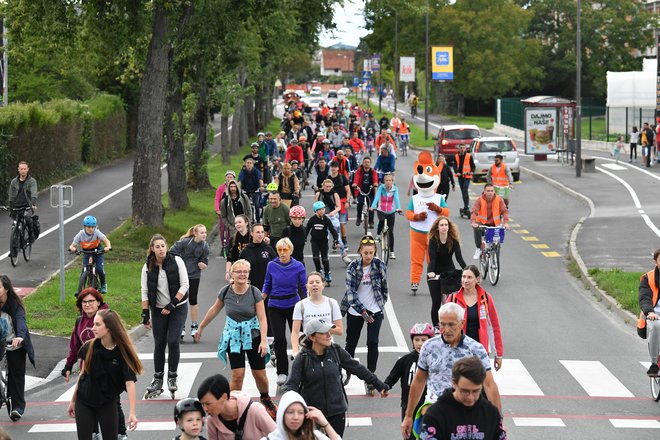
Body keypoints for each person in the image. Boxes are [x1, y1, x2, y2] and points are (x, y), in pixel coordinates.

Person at [400, 302, 502, 439]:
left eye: (451, 324)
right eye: (442, 324)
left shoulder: (476, 349)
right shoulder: (429, 347)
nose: (446, 330)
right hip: (434, 408)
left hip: (466, 409)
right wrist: (408, 416)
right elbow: (418, 381)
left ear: (462, 323)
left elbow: (489, 384)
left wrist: (499, 423)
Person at [194, 259, 277, 419]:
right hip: (234, 336)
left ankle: (266, 399)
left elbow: (262, 318)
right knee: (238, 375)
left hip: (253, 336)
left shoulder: (254, 292)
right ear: (232, 274)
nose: (242, 274)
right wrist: (201, 327)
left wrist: (264, 340)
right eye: (239, 271)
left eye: (245, 272)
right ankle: (232, 404)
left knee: (260, 375)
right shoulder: (225, 292)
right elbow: (213, 310)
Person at [283, 318, 389, 437]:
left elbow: (358, 368)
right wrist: (292, 410)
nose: (329, 335)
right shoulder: (302, 359)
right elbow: (290, 386)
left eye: (329, 331)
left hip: (337, 412)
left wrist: (379, 385)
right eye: (323, 332)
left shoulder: (336, 351)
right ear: (312, 337)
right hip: (312, 415)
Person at [61, 288, 129, 438]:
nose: (87, 305)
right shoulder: (80, 321)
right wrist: (68, 365)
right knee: (88, 399)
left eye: (91, 301)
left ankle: (120, 433)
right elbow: (75, 346)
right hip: (88, 368)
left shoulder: (106, 317)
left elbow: (119, 339)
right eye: (84, 302)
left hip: (107, 370)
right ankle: (94, 432)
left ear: (99, 302)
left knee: (113, 402)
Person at [67, 310, 142, 440]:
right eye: (93, 324)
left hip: (107, 402)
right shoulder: (89, 347)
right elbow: (82, 375)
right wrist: (73, 401)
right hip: (84, 401)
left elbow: (130, 384)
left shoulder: (123, 353)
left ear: (109, 327)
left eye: (97, 324)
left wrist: (132, 413)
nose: (93, 328)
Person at [140, 234, 189, 399]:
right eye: (157, 247)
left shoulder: (177, 261)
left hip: (178, 307)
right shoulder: (147, 266)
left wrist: (173, 304)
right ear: (152, 249)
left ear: (166, 247)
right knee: (159, 342)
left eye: (163, 246)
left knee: (173, 340)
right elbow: (144, 291)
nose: (161, 249)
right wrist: (145, 313)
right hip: (159, 309)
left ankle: (172, 377)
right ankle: (158, 378)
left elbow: (185, 284)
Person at [340, 235, 389, 390]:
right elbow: (351, 293)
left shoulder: (379, 265)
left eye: (371, 253)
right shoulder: (353, 267)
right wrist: (363, 311)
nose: (368, 256)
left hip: (374, 309)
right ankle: (346, 371)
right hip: (356, 310)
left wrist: (380, 305)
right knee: (351, 342)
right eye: (365, 253)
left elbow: (384, 287)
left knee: (373, 342)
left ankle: (370, 376)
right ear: (360, 251)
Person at [418, 357, 508, 440]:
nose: (470, 397)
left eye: (476, 391)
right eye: (465, 391)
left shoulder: (491, 413)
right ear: (454, 383)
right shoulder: (435, 414)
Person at [262, 238, 307, 386]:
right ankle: (282, 372)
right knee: (280, 340)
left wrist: (306, 303)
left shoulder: (298, 266)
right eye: (279, 250)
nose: (282, 253)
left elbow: (302, 286)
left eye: (285, 250)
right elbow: (267, 284)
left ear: (291, 251)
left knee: (300, 339)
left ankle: (302, 370)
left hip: (293, 305)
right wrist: (260, 299)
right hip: (275, 305)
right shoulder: (271, 265)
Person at [446, 266, 504, 369]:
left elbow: (494, 327)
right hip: (457, 351)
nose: (465, 280)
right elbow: (443, 325)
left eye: (469, 277)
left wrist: (498, 354)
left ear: (477, 279)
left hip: (480, 351)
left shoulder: (485, 298)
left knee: (479, 384)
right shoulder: (453, 298)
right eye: (463, 277)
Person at [385, 323, 435, 436]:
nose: (420, 343)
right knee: (409, 434)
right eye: (416, 340)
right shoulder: (405, 360)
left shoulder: (435, 360)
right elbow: (393, 376)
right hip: (408, 405)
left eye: (423, 340)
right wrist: (386, 386)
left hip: (427, 406)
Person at [197, 374, 276, 439]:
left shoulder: (254, 410)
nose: (205, 409)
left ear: (224, 397)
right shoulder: (211, 421)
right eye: (202, 404)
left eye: (208, 404)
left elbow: (278, 436)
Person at [0, 275, 35, 421]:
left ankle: (18, 407)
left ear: (6, 289)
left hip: (16, 342)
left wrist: (20, 337)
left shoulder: (15, 304)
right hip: (1, 341)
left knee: (17, 374)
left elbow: (21, 321)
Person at [170, 225, 210, 340]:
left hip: (194, 276)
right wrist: (178, 264)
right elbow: (171, 253)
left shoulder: (205, 246)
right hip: (181, 276)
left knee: (193, 300)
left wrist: (203, 264)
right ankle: (181, 325)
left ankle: (194, 325)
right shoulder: (185, 242)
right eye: (202, 233)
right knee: (180, 300)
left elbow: (205, 260)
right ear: (195, 233)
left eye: (205, 232)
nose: (204, 235)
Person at [291, 272, 343, 356]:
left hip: (328, 347)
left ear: (323, 285)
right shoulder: (300, 305)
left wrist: (319, 330)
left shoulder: (332, 303)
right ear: (307, 286)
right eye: (311, 283)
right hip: (308, 349)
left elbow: (340, 330)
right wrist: (295, 351)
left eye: (317, 282)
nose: (314, 285)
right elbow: (295, 332)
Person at [427, 216, 466, 327]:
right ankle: (436, 327)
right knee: (436, 302)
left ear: (449, 227)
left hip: (449, 271)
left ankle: (453, 325)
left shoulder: (453, 241)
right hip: (435, 272)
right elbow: (432, 260)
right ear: (437, 228)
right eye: (441, 225)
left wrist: (468, 270)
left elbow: (459, 258)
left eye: (446, 225)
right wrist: (431, 273)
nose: (444, 227)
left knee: (451, 303)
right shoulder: (433, 241)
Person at [262, 390, 341, 440]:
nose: (296, 417)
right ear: (282, 414)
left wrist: (326, 424)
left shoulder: (314, 436)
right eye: (290, 412)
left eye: (300, 412)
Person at [68, 215, 112, 294]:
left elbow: (106, 240)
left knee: (99, 269)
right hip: (86, 252)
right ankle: (80, 290)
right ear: (85, 227)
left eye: (93, 227)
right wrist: (72, 248)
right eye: (88, 227)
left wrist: (108, 247)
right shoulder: (80, 234)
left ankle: (103, 285)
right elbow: (72, 245)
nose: (91, 229)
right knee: (84, 270)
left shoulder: (96, 232)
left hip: (97, 251)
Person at [470, 184, 510, 260]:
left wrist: (506, 223)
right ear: (484, 192)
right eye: (488, 191)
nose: (490, 193)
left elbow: (504, 211)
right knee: (477, 229)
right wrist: (473, 222)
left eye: (492, 191)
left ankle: (495, 257)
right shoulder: (480, 199)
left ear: (494, 191)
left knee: (496, 241)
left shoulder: (499, 199)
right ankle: (478, 248)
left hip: (495, 224)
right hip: (482, 224)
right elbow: (474, 211)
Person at [314, 178, 348, 264]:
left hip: (332, 216)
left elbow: (339, 206)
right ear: (323, 186)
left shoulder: (335, 194)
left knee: (337, 236)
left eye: (329, 186)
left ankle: (344, 254)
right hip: (322, 217)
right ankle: (325, 256)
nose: (328, 188)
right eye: (326, 186)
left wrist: (333, 212)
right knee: (324, 238)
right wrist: (318, 215)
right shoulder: (319, 193)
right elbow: (314, 206)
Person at [306, 201, 339, 283]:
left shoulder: (326, 219)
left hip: (324, 241)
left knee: (325, 259)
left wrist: (336, 240)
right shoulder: (312, 219)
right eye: (319, 210)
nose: (321, 211)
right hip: (315, 241)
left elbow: (332, 230)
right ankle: (318, 270)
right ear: (315, 211)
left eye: (323, 209)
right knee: (316, 257)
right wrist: (304, 237)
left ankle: (327, 273)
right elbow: (307, 229)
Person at [639, 249, 660, 377]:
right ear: (655, 262)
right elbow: (644, 298)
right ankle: (654, 364)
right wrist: (650, 312)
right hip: (654, 314)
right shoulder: (648, 278)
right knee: (656, 326)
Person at [370, 173, 401, 259]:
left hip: (391, 211)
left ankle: (392, 252)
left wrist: (398, 208)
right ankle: (378, 235)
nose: (388, 182)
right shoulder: (381, 188)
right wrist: (373, 206)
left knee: (391, 232)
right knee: (382, 220)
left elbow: (397, 199)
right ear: (384, 181)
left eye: (390, 180)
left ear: (392, 181)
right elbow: (376, 197)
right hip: (381, 210)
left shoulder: (395, 189)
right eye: (386, 180)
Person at [7, 161, 37, 244]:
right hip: (16, 206)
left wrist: (33, 204)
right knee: (15, 224)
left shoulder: (31, 181)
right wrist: (10, 207)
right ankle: (14, 248)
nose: (23, 171)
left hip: (27, 206)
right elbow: (11, 196)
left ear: (27, 169)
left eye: (24, 169)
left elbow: (34, 193)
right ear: (18, 170)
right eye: (21, 169)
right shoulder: (14, 182)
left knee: (27, 216)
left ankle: (31, 235)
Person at [328, 161, 351, 251]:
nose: (333, 168)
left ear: (338, 168)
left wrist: (348, 201)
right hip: (331, 204)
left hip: (342, 203)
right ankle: (335, 240)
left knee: (342, 223)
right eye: (332, 167)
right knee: (333, 224)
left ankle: (344, 241)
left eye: (335, 167)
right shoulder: (328, 179)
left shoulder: (342, 178)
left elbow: (348, 190)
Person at [352, 156, 379, 228]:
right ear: (363, 163)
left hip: (370, 191)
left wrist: (375, 183)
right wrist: (355, 184)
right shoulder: (359, 171)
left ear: (370, 164)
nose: (366, 163)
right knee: (360, 203)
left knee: (371, 206)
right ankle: (358, 217)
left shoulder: (373, 171)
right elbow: (356, 178)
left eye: (368, 162)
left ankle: (371, 221)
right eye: (365, 162)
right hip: (361, 190)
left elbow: (375, 178)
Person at [215, 170, 237, 255]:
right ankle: (224, 246)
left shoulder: (236, 188)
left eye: (231, 177)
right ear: (225, 177)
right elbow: (217, 199)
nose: (229, 178)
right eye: (228, 177)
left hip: (233, 212)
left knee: (232, 228)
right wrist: (217, 209)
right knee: (222, 229)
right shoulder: (221, 188)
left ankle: (232, 245)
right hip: (223, 212)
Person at [225, 214, 252, 281]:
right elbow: (230, 257)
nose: (237, 224)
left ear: (246, 223)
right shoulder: (233, 239)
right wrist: (227, 272)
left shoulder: (253, 236)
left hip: (252, 269)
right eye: (236, 223)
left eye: (240, 222)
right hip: (239, 270)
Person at [237, 157, 264, 222]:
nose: (249, 164)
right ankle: (246, 220)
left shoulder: (256, 171)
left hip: (255, 190)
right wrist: (237, 188)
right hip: (246, 191)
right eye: (247, 163)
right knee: (244, 206)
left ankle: (258, 220)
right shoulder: (243, 171)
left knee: (256, 205)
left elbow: (260, 179)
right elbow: (239, 181)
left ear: (253, 164)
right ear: (245, 164)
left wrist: (261, 186)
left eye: (250, 163)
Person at [454, 144, 475, 215]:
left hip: (467, 176)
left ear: (465, 149)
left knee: (465, 189)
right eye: (461, 148)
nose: (462, 149)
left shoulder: (469, 156)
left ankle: (467, 206)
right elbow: (454, 166)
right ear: (459, 149)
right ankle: (465, 206)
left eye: (463, 148)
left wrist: (471, 171)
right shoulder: (456, 156)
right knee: (463, 191)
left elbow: (473, 166)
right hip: (460, 177)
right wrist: (457, 172)